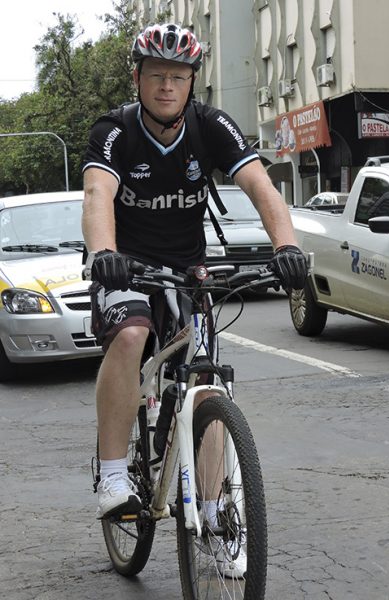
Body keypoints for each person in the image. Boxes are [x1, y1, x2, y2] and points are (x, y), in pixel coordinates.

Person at [81, 23, 307, 577]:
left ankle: (214, 512)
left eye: (177, 77)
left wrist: (288, 247)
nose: (166, 86)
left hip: (188, 272)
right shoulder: (115, 131)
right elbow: (97, 193)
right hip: (128, 265)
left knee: (206, 380)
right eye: (156, 75)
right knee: (132, 335)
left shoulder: (211, 126)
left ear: (191, 84)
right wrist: (104, 252)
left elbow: (262, 187)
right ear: (137, 78)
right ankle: (114, 472)